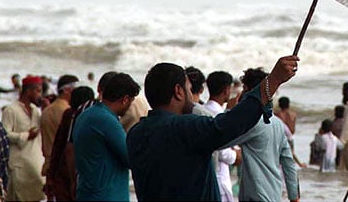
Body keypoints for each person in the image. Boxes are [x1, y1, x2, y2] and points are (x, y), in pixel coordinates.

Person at [127, 55, 298, 201]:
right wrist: (274, 80)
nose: (191, 95)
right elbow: (232, 124)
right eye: (188, 88)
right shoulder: (184, 128)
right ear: (178, 91)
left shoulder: (136, 133)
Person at [221, 68, 299, 202]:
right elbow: (288, 162)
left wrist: (229, 111)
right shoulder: (277, 124)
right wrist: (294, 197)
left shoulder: (252, 122)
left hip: (256, 195)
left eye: (245, 89)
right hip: (273, 194)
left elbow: (221, 140)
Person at [73, 73, 140, 201]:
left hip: (86, 193)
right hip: (107, 195)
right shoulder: (106, 120)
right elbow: (131, 158)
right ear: (125, 99)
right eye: (131, 101)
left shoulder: (85, 115)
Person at [47, 86, 94, 201]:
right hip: (79, 173)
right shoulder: (82, 117)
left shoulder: (69, 114)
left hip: (63, 172)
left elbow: (58, 145)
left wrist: (51, 175)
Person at [1, 75, 45, 201]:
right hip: (19, 164)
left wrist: (46, 108)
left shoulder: (36, 111)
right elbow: (4, 134)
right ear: (28, 91)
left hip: (35, 164)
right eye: (38, 91)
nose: (40, 95)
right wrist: (25, 135)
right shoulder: (11, 110)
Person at [203, 71, 239, 202]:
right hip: (219, 177)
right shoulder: (219, 116)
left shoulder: (202, 110)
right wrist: (237, 156)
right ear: (226, 89)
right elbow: (223, 152)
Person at [41, 74, 78, 179]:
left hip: (49, 165)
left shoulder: (47, 110)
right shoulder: (67, 112)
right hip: (63, 166)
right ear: (66, 90)